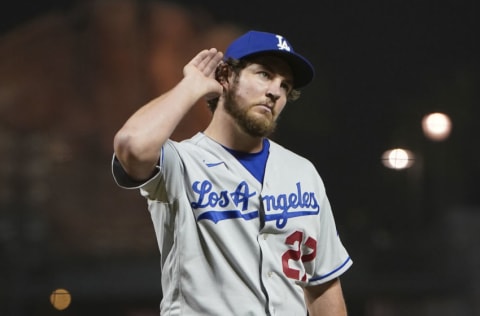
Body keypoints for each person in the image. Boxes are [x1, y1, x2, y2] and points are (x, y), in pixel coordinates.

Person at [112, 30, 353, 315]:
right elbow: (132, 146)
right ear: (225, 76)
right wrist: (191, 86)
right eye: (264, 74)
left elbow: (323, 285)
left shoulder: (302, 172)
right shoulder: (183, 163)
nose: (275, 91)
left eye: (285, 85)